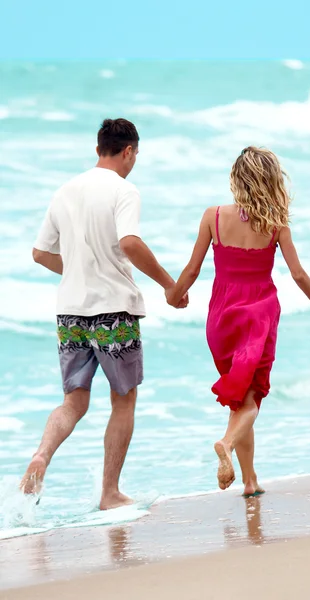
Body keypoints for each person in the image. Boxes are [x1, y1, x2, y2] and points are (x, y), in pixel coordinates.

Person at [20, 118, 187, 510]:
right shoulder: (124, 190)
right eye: (135, 155)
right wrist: (168, 283)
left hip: (70, 313)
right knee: (123, 400)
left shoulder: (64, 191)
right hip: (113, 311)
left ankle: (42, 454)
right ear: (128, 151)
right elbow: (129, 242)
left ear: (99, 149)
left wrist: (79, 269)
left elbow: (40, 253)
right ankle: (109, 493)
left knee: (73, 403)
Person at [166, 147, 310, 497]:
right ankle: (226, 444)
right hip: (259, 317)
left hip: (221, 318)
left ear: (236, 179)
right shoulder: (276, 226)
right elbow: (298, 274)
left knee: (240, 400)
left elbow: (192, 269)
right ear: (272, 181)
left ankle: (250, 480)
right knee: (252, 398)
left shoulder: (212, 217)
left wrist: (175, 293)